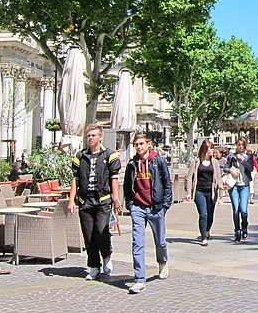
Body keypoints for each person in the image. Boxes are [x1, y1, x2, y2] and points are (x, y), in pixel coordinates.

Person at [69, 124, 122, 281]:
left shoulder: (109, 156)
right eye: (88, 136)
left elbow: (114, 178)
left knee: (101, 231)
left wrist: (115, 197)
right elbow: (75, 179)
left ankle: (106, 254)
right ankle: (93, 266)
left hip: (103, 200)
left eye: (93, 135)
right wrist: (71, 200)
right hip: (85, 201)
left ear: (101, 137)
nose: (90, 138)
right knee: (89, 235)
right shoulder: (80, 156)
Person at [123, 134, 173, 294]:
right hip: (138, 207)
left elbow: (167, 183)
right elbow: (127, 186)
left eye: (141, 144)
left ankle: (163, 262)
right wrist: (130, 205)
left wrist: (164, 206)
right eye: (136, 144)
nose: (138, 147)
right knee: (137, 243)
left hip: (156, 207)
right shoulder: (132, 164)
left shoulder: (158, 161)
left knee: (160, 241)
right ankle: (139, 279)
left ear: (148, 145)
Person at [185, 139, 224, 246]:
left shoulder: (215, 162)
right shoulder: (196, 162)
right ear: (205, 150)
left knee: (210, 215)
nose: (213, 151)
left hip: (211, 192)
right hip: (199, 191)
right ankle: (203, 237)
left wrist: (221, 187)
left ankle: (207, 230)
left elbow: (218, 177)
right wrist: (189, 192)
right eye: (211, 148)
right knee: (203, 214)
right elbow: (189, 178)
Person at [226, 136, 254, 242]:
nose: (240, 147)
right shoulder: (231, 156)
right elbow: (225, 167)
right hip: (234, 185)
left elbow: (251, 168)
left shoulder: (248, 156)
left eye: (242, 145)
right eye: (239, 144)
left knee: (243, 210)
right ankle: (237, 230)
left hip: (245, 185)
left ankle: (244, 227)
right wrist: (230, 170)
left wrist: (242, 160)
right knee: (236, 209)